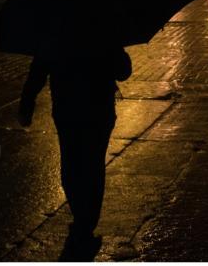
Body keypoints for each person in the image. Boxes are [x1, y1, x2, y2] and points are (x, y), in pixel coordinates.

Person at [18, 45, 132, 260]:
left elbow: (39, 67)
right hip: (99, 108)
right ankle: (86, 220)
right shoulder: (103, 31)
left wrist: (27, 101)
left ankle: (82, 216)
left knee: (71, 164)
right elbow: (123, 71)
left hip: (67, 107)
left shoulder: (57, 31)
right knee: (93, 165)